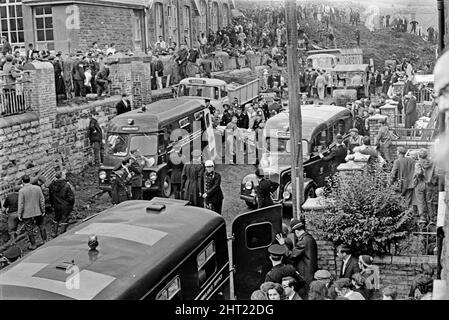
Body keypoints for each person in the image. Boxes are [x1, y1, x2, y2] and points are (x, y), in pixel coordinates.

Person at [17, 175, 46, 250]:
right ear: (29, 180)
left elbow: (21, 204)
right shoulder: (37, 188)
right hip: (38, 211)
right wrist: (43, 210)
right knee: (41, 226)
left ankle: (33, 245)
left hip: (27, 213)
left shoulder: (21, 191)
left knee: (29, 229)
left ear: (22, 181)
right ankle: (45, 240)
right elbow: (42, 200)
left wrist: (19, 214)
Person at [289, 218, 318, 292]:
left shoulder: (303, 241)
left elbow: (291, 255)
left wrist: (283, 244)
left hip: (305, 275)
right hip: (310, 274)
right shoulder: (309, 238)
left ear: (296, 231)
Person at [413, 149, 438, 226]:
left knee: (421, 201)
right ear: (427, 155)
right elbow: (436, 174)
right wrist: (433, 182)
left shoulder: (418, 163)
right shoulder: (432, 163)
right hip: (429, 184)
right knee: (430, 201)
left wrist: (416, 178)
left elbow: (418, 173)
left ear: (419, 155)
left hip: (420, 183)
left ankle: (423, 219)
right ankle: (432, 219)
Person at [48, 172, 75, 238]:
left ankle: (54, 233)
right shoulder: (66, 185)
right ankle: (62, 234)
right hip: (65, 205)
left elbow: (50, 196)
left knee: (56, 218)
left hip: (56, 205)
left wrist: (52, 204)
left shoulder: (51, 185)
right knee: (64, 219)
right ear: (62, 176)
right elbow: (71, 197)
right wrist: (71, 204)